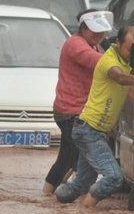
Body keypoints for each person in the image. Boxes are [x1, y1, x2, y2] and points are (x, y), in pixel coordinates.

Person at [55, 26, 134, 207]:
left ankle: (54, 203)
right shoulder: (109, 60)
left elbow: (125, 96)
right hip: (88, 130)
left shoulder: (128, 64)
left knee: (80, 184)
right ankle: (85, 212)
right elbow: (119, 78)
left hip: (95, 131)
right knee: (114, 177)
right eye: (129, 49)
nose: (132, 54)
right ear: (117, 44)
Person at [43, 10, 109, 195]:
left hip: (78, 111)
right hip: (70, 112)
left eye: (102, 32)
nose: (99, 35)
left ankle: (53, 193)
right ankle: (48, 194)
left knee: (72, 158)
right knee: (69, 158)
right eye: (95, 32)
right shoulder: (76, 45)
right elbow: (100, 63)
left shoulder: (91, 44)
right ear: (83, 29)